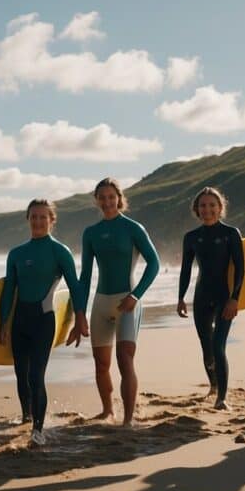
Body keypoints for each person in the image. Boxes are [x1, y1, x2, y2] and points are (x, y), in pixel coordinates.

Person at [0, 199, 88, 446]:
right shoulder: (16, 253)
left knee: (36, 376)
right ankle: (26, 417)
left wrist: (80, 317)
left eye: (43, 217)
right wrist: (3, 323)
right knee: (21, 375)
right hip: (19, 322)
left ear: (51, 220)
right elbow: (8, 292)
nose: (38, 221)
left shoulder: (60, 251)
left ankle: (38, 430)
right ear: (28, 219)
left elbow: (75, 286)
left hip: (44, 320)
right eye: (33, 217)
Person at [74, 178, 160, 427]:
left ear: (119, 198)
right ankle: (107, 410)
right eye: (102, 197)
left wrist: (136, 296)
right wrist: (79, 312)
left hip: (128, 300)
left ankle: (128, 419)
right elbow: (85, 276)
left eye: (111, 196)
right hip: (101, 302)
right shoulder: (91, 233)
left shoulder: (133, 228)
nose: (107, 201)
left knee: (125, 360)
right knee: (101, 364)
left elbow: (154, 263)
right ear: (97, 201)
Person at [176, 187, 244, 410]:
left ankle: (222, 397)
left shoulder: (231, 234)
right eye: (203, 205)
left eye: (212, 205)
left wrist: (235, 299)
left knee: (218, 345)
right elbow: (186, 271)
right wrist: (180, 298)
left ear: (220, 207)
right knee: (206, 346)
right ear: (197, 209)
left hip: (225, 296)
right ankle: (213, 385)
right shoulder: (192, 237)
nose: (208, 209)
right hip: (202, 296)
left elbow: (241, 270)